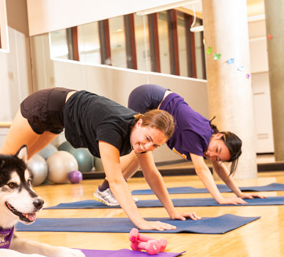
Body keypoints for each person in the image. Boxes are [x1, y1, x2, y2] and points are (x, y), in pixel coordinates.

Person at [0, 87, 200, 231]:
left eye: (155, 145)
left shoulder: (140, 136)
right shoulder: (113, 128)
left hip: (58, 118)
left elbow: (152, 174)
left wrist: (172, 211)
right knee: (3, 164)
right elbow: (115, 181)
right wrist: (141, 222)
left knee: (20, 164)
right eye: (148, 139)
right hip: (43, 105)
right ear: (139, 122)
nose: (148, 147)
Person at [94, 84, 263, 206]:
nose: (212, 156)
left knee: (142, 154)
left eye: (217, 157)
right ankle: (107, 188)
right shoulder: (197, 135)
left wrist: (238, 193)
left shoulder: (208, 140)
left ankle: (112, 188)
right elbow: (201, 169)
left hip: (158, 96)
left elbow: (219, 168)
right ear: (219, 135)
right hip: (148, 98)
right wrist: (220, 198)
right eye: (217, 150)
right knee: (141, 151)